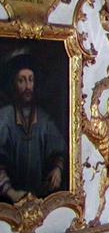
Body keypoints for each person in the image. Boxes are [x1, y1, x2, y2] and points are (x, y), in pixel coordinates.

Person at [0, 53, 65, 203]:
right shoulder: (4, 118)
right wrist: (10, 192)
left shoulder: (44, 119)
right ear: (13, 84)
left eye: (31, 80)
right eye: (21, 81)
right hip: (8, 201)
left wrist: (58, 169)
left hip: (39, 201)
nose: (28, 86)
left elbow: (59, 151)